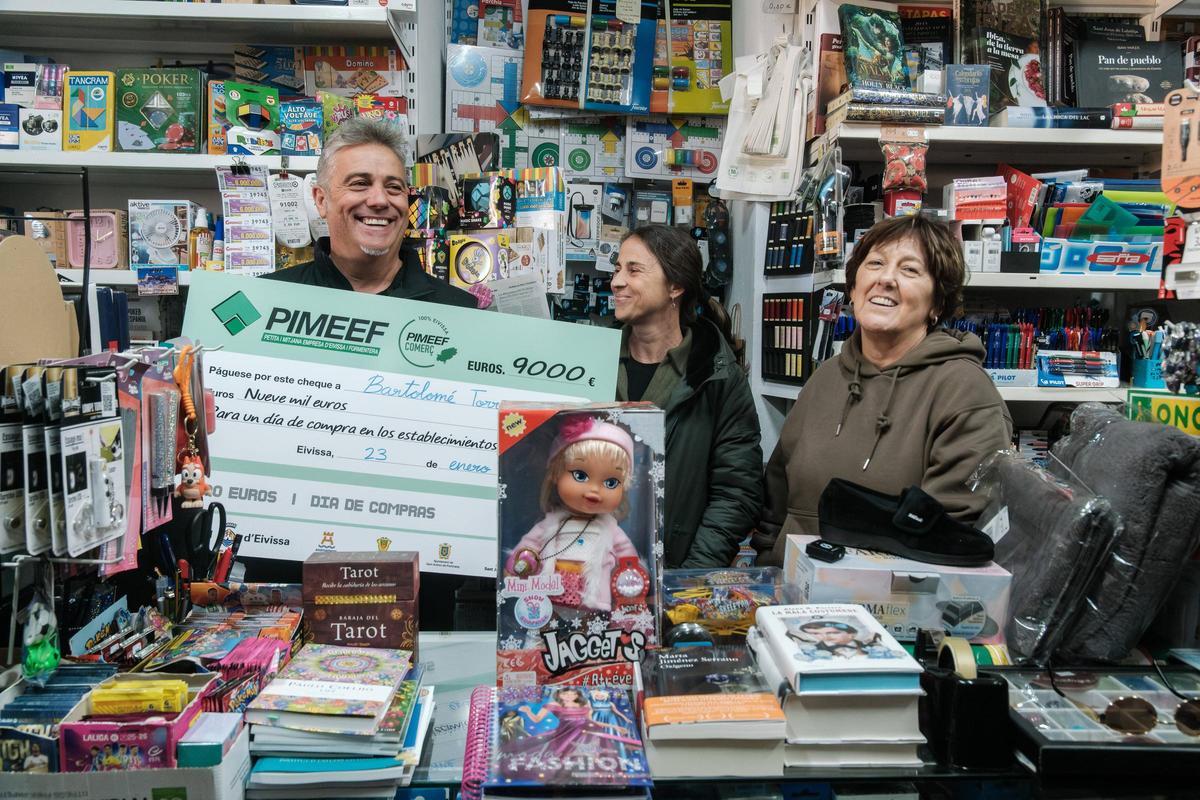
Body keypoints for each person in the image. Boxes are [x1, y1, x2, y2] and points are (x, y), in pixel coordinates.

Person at [246, 118, 482, 631]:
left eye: (393, 187)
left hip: (420, 583)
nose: (380, 200)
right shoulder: (265, 305)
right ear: (320, 198)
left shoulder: (461, 314)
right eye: (359, 184)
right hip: (292, 581)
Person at [755, 214, 1012, 566]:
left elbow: (949, 536)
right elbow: (777, 501)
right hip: (793, 601)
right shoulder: (826, 378)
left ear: (937, 303)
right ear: (854, 286)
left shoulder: (964, 392)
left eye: (910, 270)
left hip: (891, 608)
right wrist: (771, 567)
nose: (886, 279)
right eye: (875, 263)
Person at [612, 225, 762, 569]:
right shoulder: (591, 363)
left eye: (633, 270)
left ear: (675, 287)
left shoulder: (718, 376)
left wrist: (689, 577)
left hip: (678, 575)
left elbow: (736, 492)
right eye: (617, 268)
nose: (617, 281)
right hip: (591, 569)